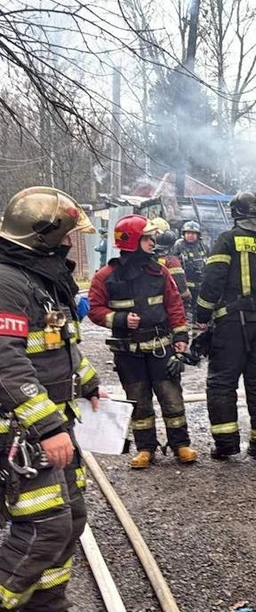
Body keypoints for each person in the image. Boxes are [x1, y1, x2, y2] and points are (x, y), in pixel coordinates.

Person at [0, 186, 103, 610]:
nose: (67, 243)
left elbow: (58, 345)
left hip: (53, 422)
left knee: (71, 518)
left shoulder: (39, 277)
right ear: (42, 236)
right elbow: (5, 360)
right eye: (64, 235)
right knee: (46, 526)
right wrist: (46, 427)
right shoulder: (7, 282)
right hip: (22, 429)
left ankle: (45, 604)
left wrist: (90, 382)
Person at [88, 214, 197, 469]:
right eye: (148, 238)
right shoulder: (106, 276)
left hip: (161, 348)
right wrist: (120, 319)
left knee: (171, 397)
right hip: (128, 352)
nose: (152, 242)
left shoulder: (159, 272)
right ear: (133, 241)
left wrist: (181, 338)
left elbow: (175, 306)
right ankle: (145, 448)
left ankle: (181, 444)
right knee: (138, 401)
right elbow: (94, 310)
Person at [194, 192, 256, 462]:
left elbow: (212, 281)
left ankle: (226, 445)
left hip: (231, 323)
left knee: (221, 384)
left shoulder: (228, 240)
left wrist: (202, 314)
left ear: (235, 213)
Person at [171, 220, 208, 320]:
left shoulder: (203, 247)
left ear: (198, 235)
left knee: (199, 309)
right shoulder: (178, 245)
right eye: (188, 233)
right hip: (184, 286)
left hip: (200, 286)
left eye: (193, 233)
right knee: (185, 311)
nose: (190, 235)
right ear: (183, 234)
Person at [154, 229, 191, 309]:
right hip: (170, 302)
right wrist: (187, 299)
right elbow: (180, 283)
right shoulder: (172, 261)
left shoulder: (149, 257)